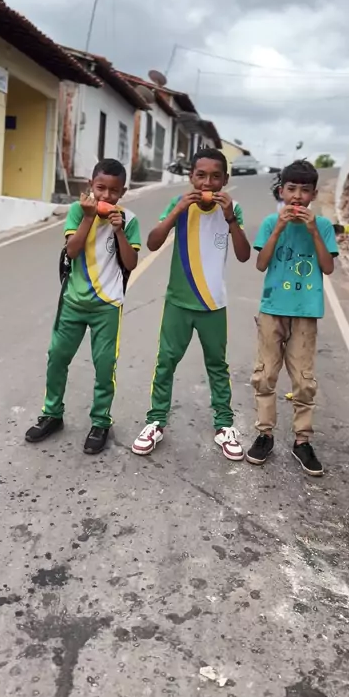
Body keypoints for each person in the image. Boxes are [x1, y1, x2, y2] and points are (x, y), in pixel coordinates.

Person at [132, 147, 251, 461]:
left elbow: (243, 254)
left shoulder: (232, 209)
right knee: (166, 362)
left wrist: (230, 218)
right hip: (178, 302)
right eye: (201, 176)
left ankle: (224, 425)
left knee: (217, 365)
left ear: (225, 179)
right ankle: (156, 421)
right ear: (191, 177)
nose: (207, 183)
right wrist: (176, 211)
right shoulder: (179, 204)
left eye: (215, 177)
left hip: (213, 304)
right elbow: (153, 242)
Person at [25, 158, 141, 455]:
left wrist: (119, 231)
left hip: (107, 306)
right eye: (100, 188)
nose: (106, 196)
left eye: (113, 191)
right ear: (91, 186)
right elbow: (72, 250)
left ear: (123, 192)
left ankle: (100, 421)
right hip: (73, 303)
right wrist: (89, 218)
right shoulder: (78, 211)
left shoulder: (129, 220)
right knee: (57, 357)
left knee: (104, 366)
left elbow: (130, 263)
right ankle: (52, 414)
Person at [247, 159, 339, 476]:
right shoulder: (270, 222)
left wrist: (313, 230)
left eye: (305, 190)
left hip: (305, 312)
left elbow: (328, 267)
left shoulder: (322, 226)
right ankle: (265, 434)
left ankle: (302, 440)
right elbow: (261, 263)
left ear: (314, 194)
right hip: (272, 309)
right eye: (291, 189)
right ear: (282, 192)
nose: (298, 197)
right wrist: (279, 228)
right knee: (265, 375)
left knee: (303, 379)